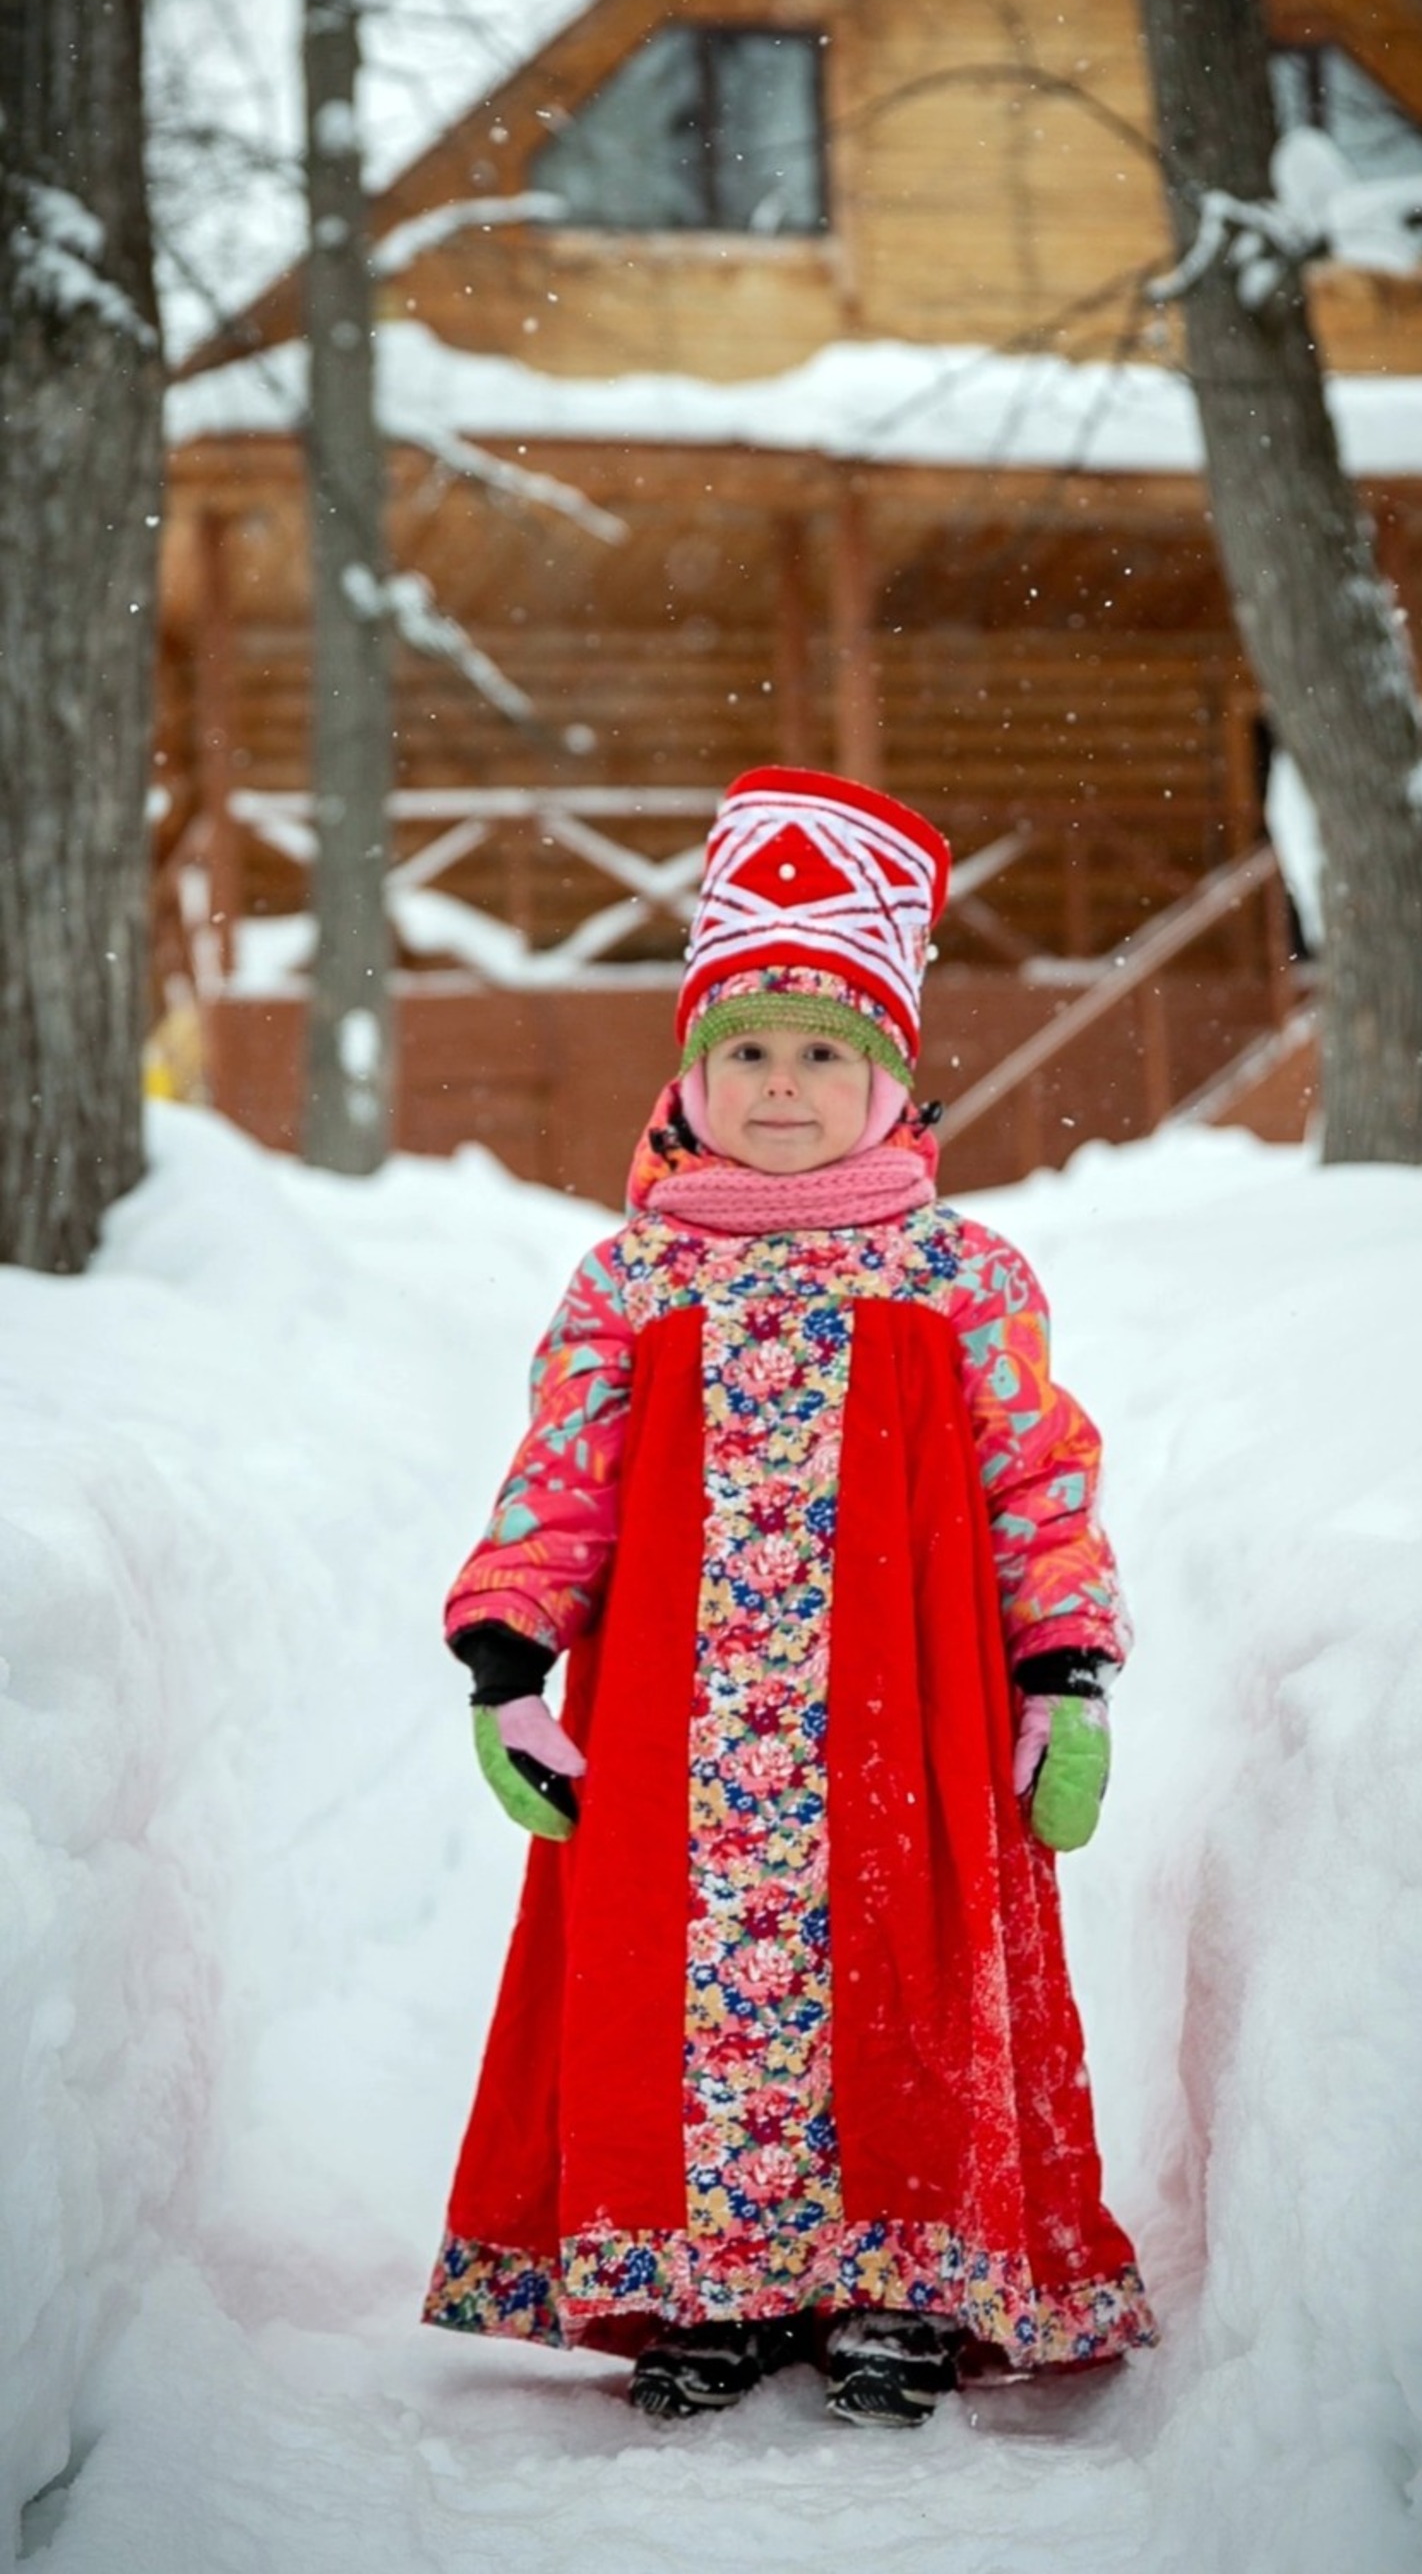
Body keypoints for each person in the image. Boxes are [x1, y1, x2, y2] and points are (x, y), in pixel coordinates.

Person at [423, 767, 1156, 2427]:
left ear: (891, 1085)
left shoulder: (958, 1275)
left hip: (916, 1722)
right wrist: (506, 1653)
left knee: (902, 1985)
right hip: (683, 1739)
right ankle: (713, 2273)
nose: (780, 1084)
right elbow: (566, 1472)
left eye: (827, 1054)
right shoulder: (635, 1277)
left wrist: (1070, 1668)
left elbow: (1038, 1474)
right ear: (688, 1072)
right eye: (745, 1049)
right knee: (686, 1996)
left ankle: (905, 2276)